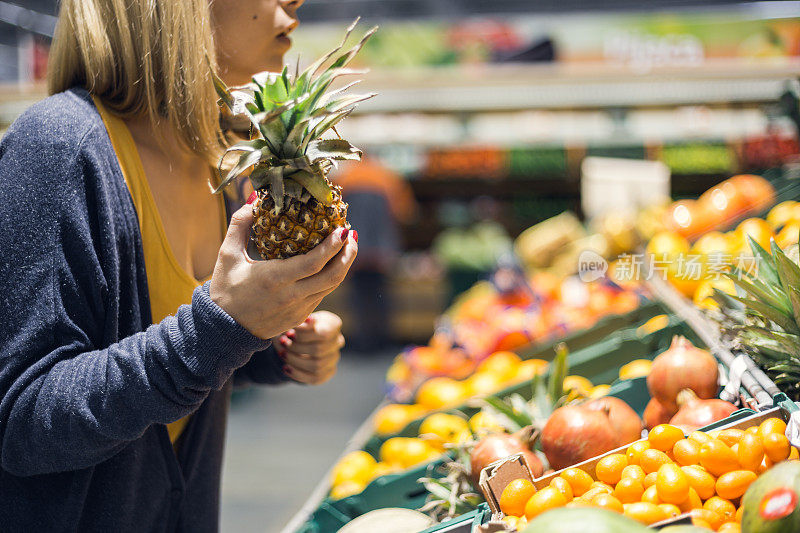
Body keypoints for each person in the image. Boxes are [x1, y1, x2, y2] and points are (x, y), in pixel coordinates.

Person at [0, 0, 357, 531]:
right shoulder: (59, 146)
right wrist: (219, 329)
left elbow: (178, 347)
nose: (295, 3)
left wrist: (271, 346)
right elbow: (22, 422)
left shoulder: (222, 160)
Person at [334, 156, 416, 352]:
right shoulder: (389, 177)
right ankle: (382, 341)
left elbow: (333, 213)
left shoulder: (346, 177)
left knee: (358, 294)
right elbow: (406, 213)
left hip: (354, 248)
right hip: (382, 250)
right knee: (382, 293)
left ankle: (362, 342)